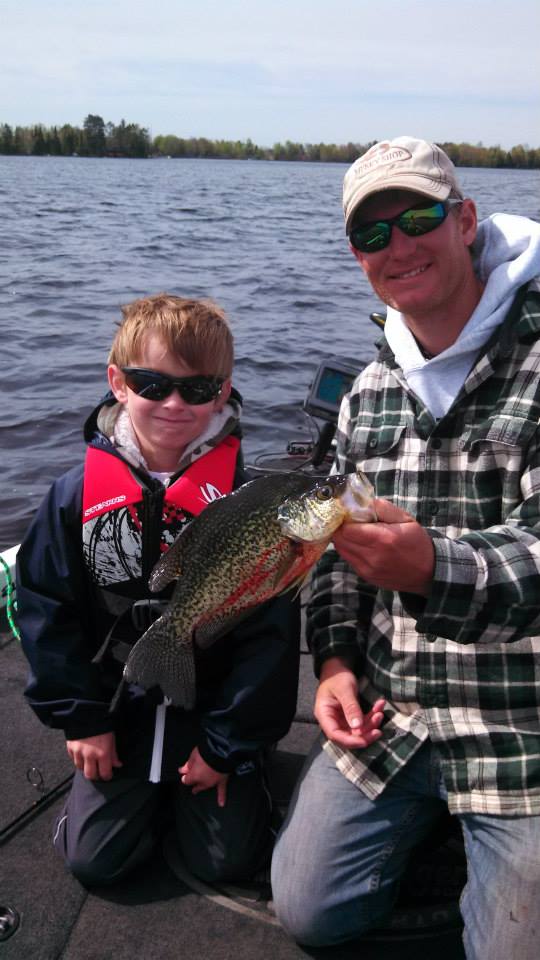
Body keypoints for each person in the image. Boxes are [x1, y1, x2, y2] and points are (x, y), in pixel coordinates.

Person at [271, 137, 540, 959]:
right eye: (373, 236)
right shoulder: (368, 393)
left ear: (464, 221)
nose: (399, 247)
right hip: (394, 710)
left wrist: (433, 567)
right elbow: (326, 556)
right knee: (308, 910)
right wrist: (336, 667)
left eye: (417, 218)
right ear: (358, 259)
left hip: (521, 723)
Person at [16, 293, 300, 887]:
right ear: (117, 384)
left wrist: (229, 744)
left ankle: (242, 767)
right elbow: (46, 611)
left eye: (197, 390)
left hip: (214, 711)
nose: (174, 403)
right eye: (152, 384)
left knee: (227, 863)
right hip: (118, 711)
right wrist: (81, 719)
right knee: (96, 864)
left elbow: (267, 640)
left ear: (222, 393)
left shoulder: (249, 504)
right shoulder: (72, 498)